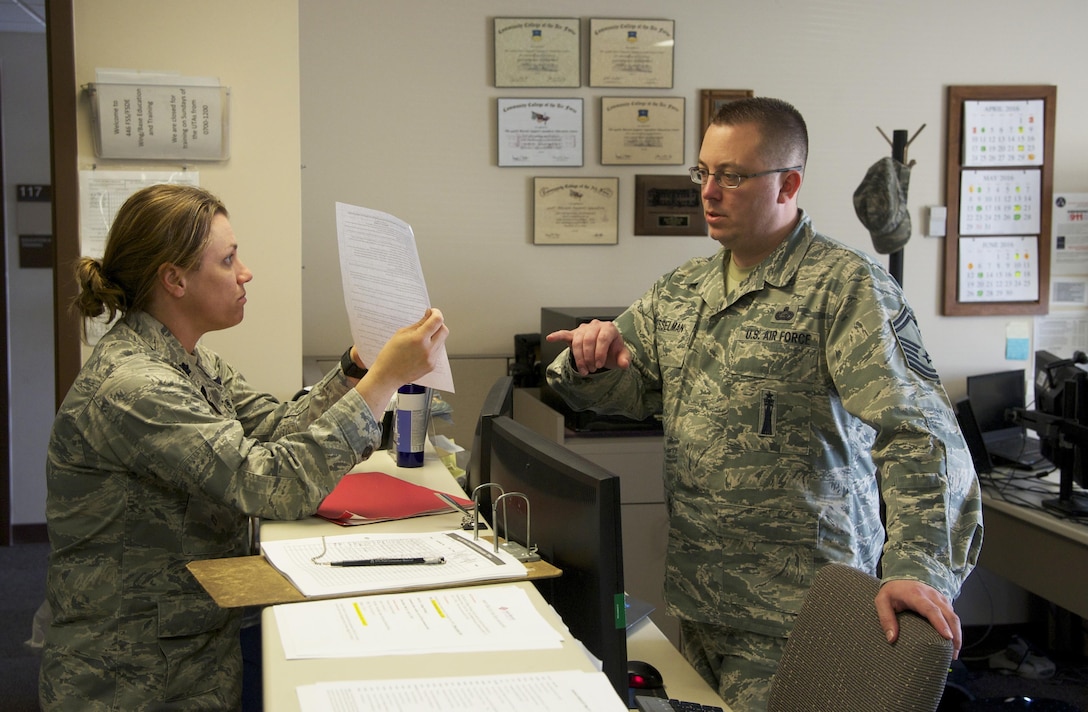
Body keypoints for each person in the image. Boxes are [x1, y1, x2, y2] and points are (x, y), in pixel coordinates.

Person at [545, 97, 983, 711]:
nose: (710, 192)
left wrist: (919, 567)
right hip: (703, 601)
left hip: (800, 613)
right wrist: (588, 358)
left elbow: (922, 433)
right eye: (703, 173)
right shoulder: (685, 289)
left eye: (732, 175)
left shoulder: (845, 286)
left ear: (789, 183)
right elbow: (628, 389)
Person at [38, 183, 449, 710]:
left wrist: (357, 368)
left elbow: (276, 428)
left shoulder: (186, 360)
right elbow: (270, 483)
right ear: (174, 279)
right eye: (228, 259)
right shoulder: (136, 387)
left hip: (191, 640)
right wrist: (384, 383)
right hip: (130, 674)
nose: (245, 272)